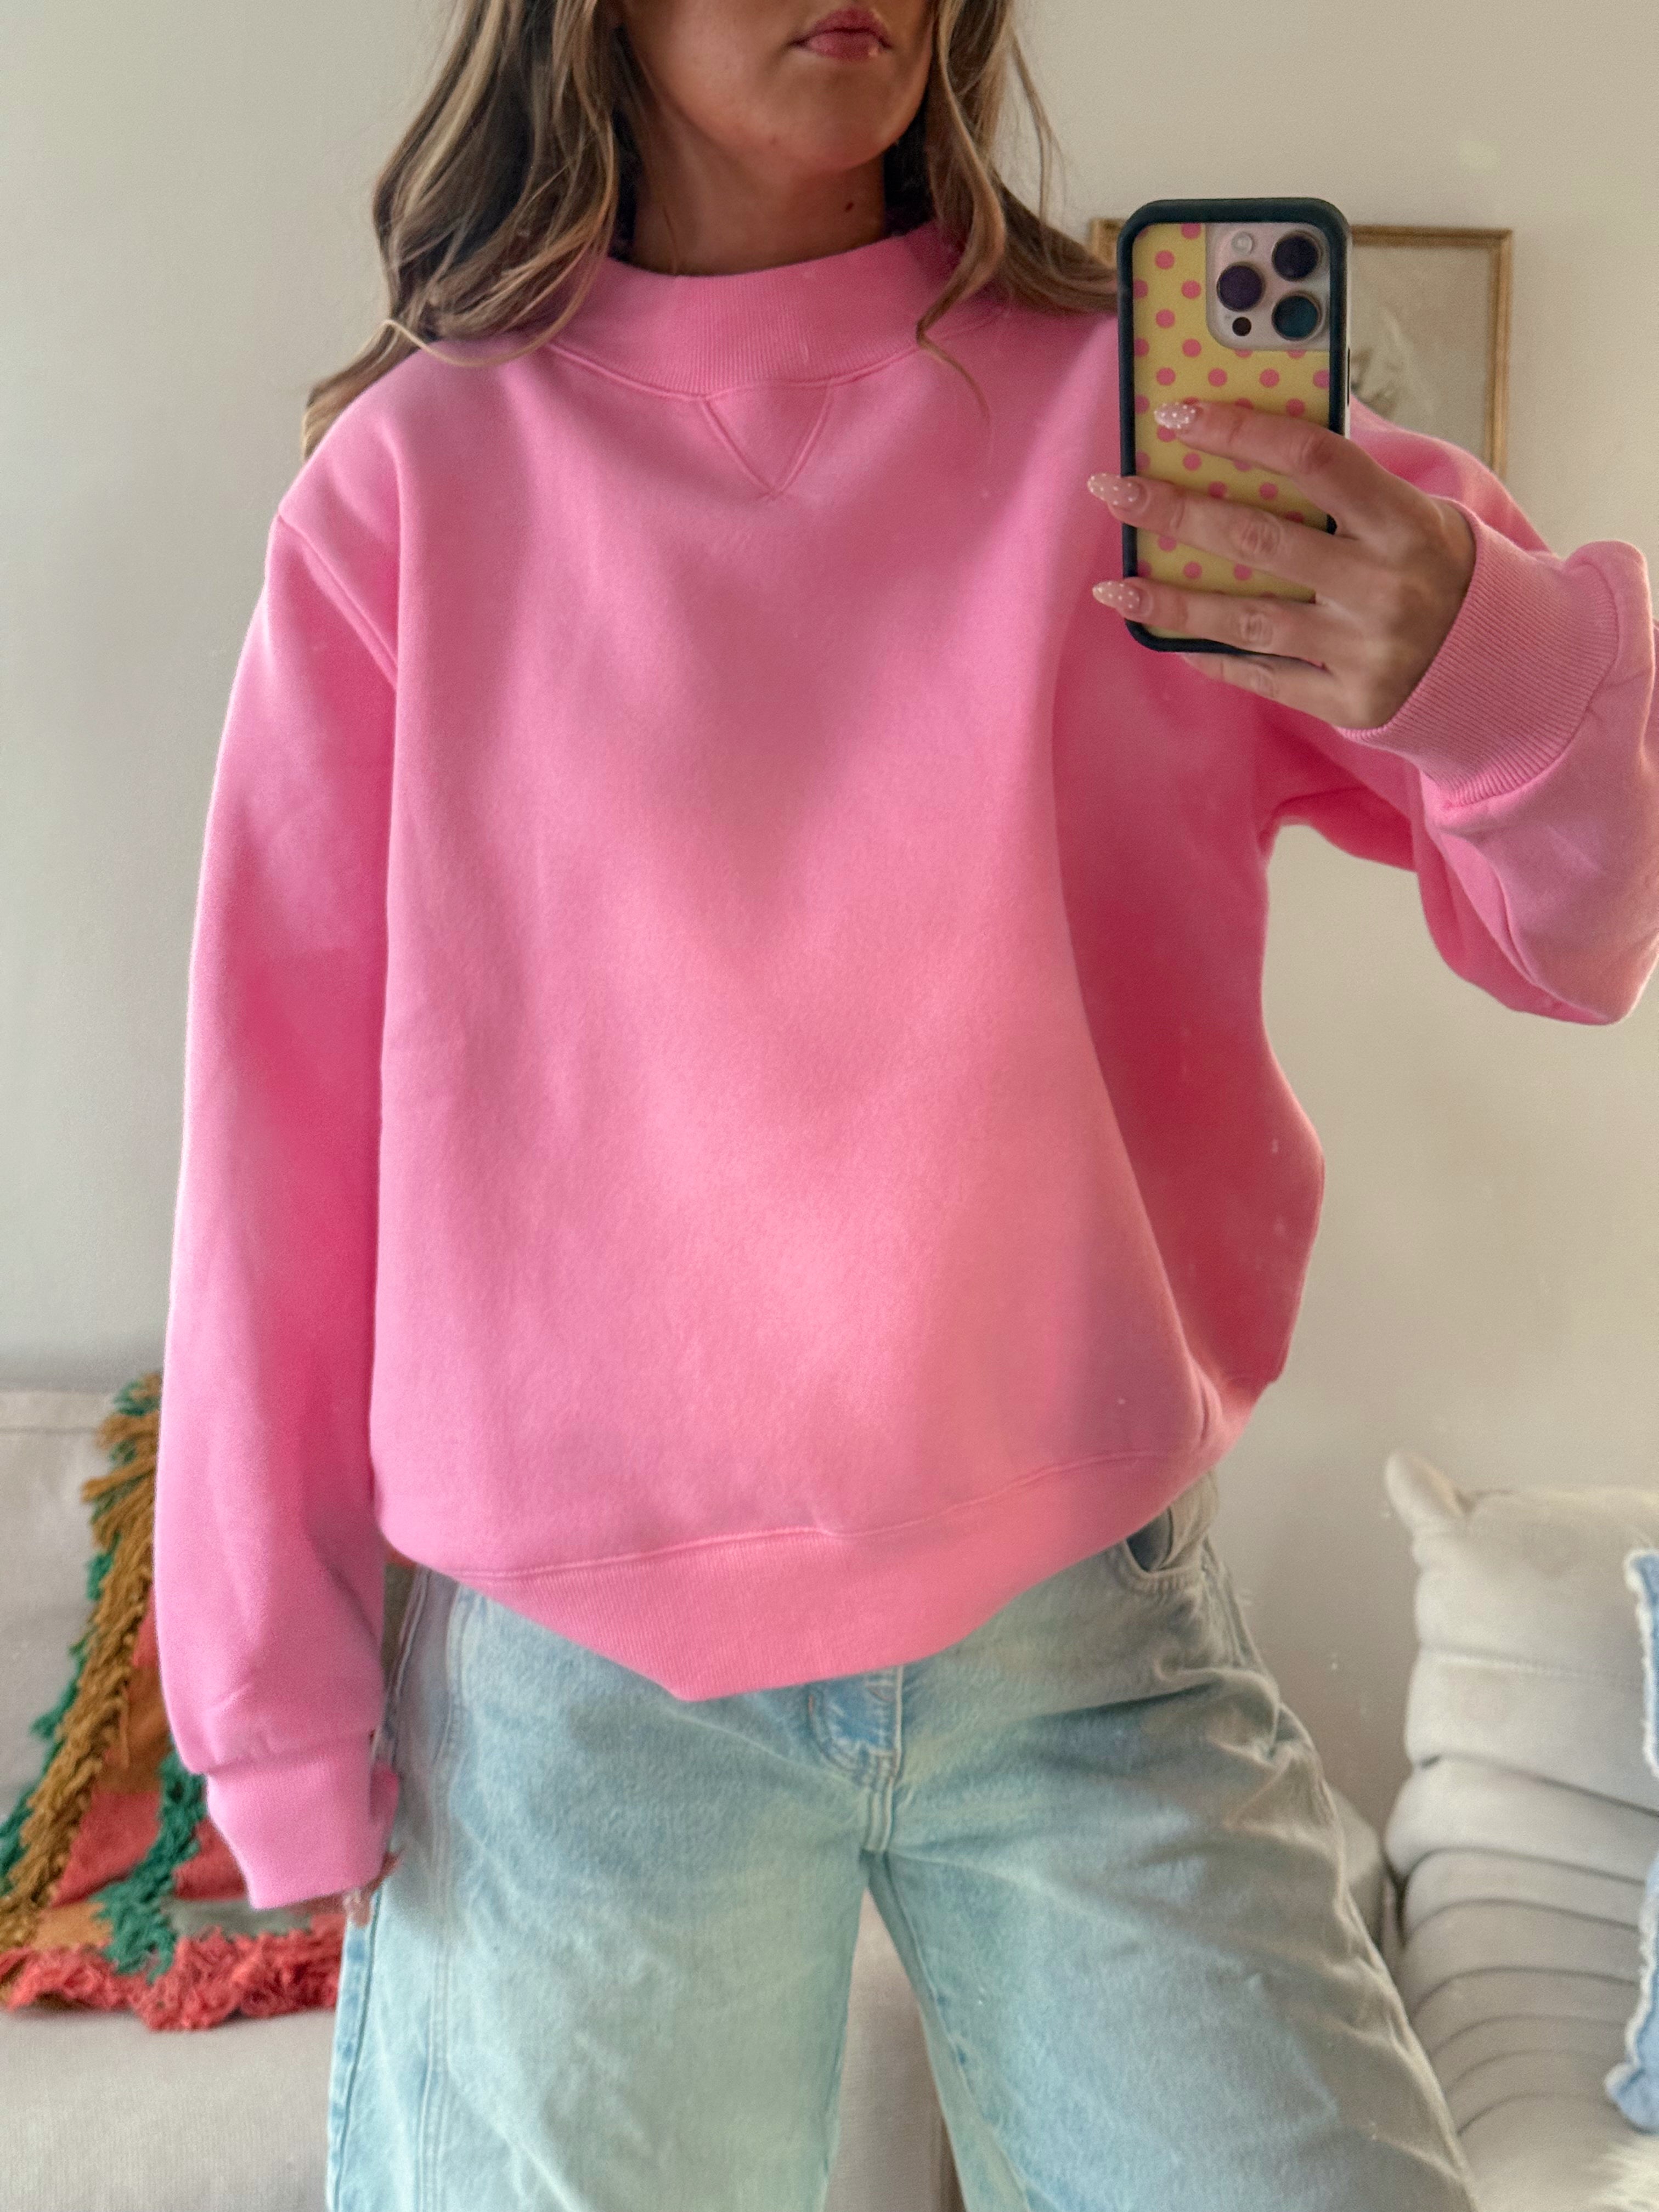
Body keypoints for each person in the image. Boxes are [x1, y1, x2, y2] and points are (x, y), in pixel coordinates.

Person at [151, 0, 1659, 2205]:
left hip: (1089, 1635)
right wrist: (275, 1718)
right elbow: (278, 1153)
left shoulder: (1148, 427)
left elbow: (1577, 935)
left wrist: (1480, 665)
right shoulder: (413, 487)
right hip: (578, 1692)